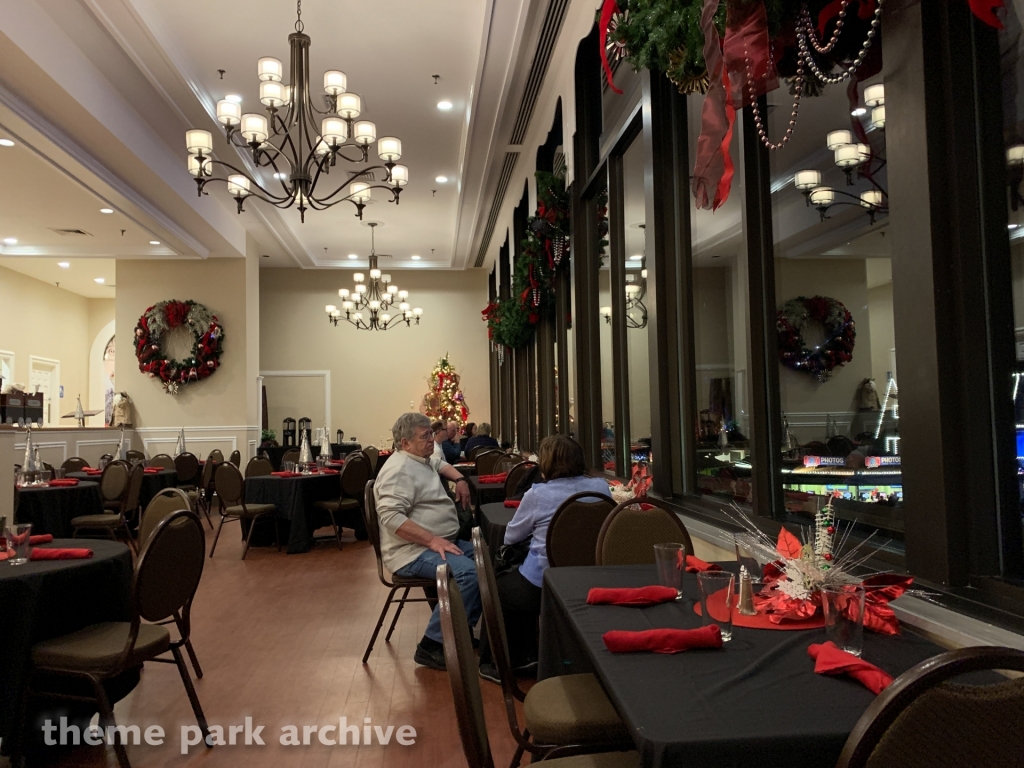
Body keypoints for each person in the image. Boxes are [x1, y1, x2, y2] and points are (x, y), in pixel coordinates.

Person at [478, 435, 609, 682]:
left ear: (547, 464)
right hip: (591, 579)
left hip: (544, 583)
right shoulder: (601, 488)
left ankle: (506, 661)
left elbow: (511, 536)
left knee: (500, 589)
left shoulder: (537, 495)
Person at [374, 412, 478, 670]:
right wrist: (432, 540)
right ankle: (431, 645)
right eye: (425, 436)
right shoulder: (398, 471)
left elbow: (438, 464)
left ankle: (458, 632)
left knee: (489, 562)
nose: (431, 440)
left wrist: (460, 479)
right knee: (470, 575)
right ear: (405, 443)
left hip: (437, 542)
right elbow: (390, 517)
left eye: (431, 434)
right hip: (410, 552)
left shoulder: (419, 459)